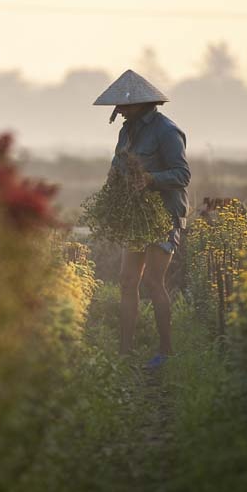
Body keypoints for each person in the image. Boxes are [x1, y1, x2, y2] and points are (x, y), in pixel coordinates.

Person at [93, 69, 190, 369]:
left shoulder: (167, 131)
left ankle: (166, 352)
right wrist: (112, 183)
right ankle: (125, 352)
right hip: (136, 216)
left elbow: (182, 175)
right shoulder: (128, 130)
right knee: (126, 281)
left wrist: (150, 179)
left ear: (142, 104)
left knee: (152, 280)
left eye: (124, 105)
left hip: (163, 215)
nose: (119, 111)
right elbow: (118, 162)